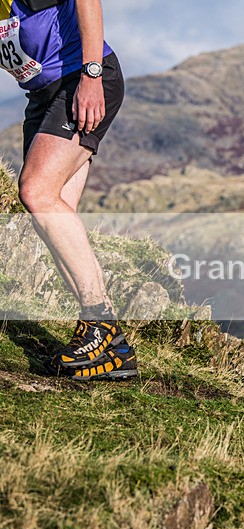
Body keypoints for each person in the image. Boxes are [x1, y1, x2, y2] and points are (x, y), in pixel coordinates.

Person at [6, 0, 134, 380]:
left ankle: (102, 322)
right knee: (53, 216)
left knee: (36, 191)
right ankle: (112, 348)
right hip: (42, 96)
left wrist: (91, 77)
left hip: (82, 80)